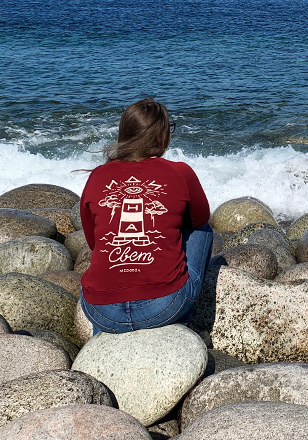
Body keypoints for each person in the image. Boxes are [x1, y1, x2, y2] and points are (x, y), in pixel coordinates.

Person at [78, 98, 212, 334]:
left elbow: (93, 242)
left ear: (124, 134)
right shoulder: (180, 172)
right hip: (162, 305)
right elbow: (200, 218)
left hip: (101, 310)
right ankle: (179, 323)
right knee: (202, 230)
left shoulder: (98, 175)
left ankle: (104, 337)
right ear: (162, 136)